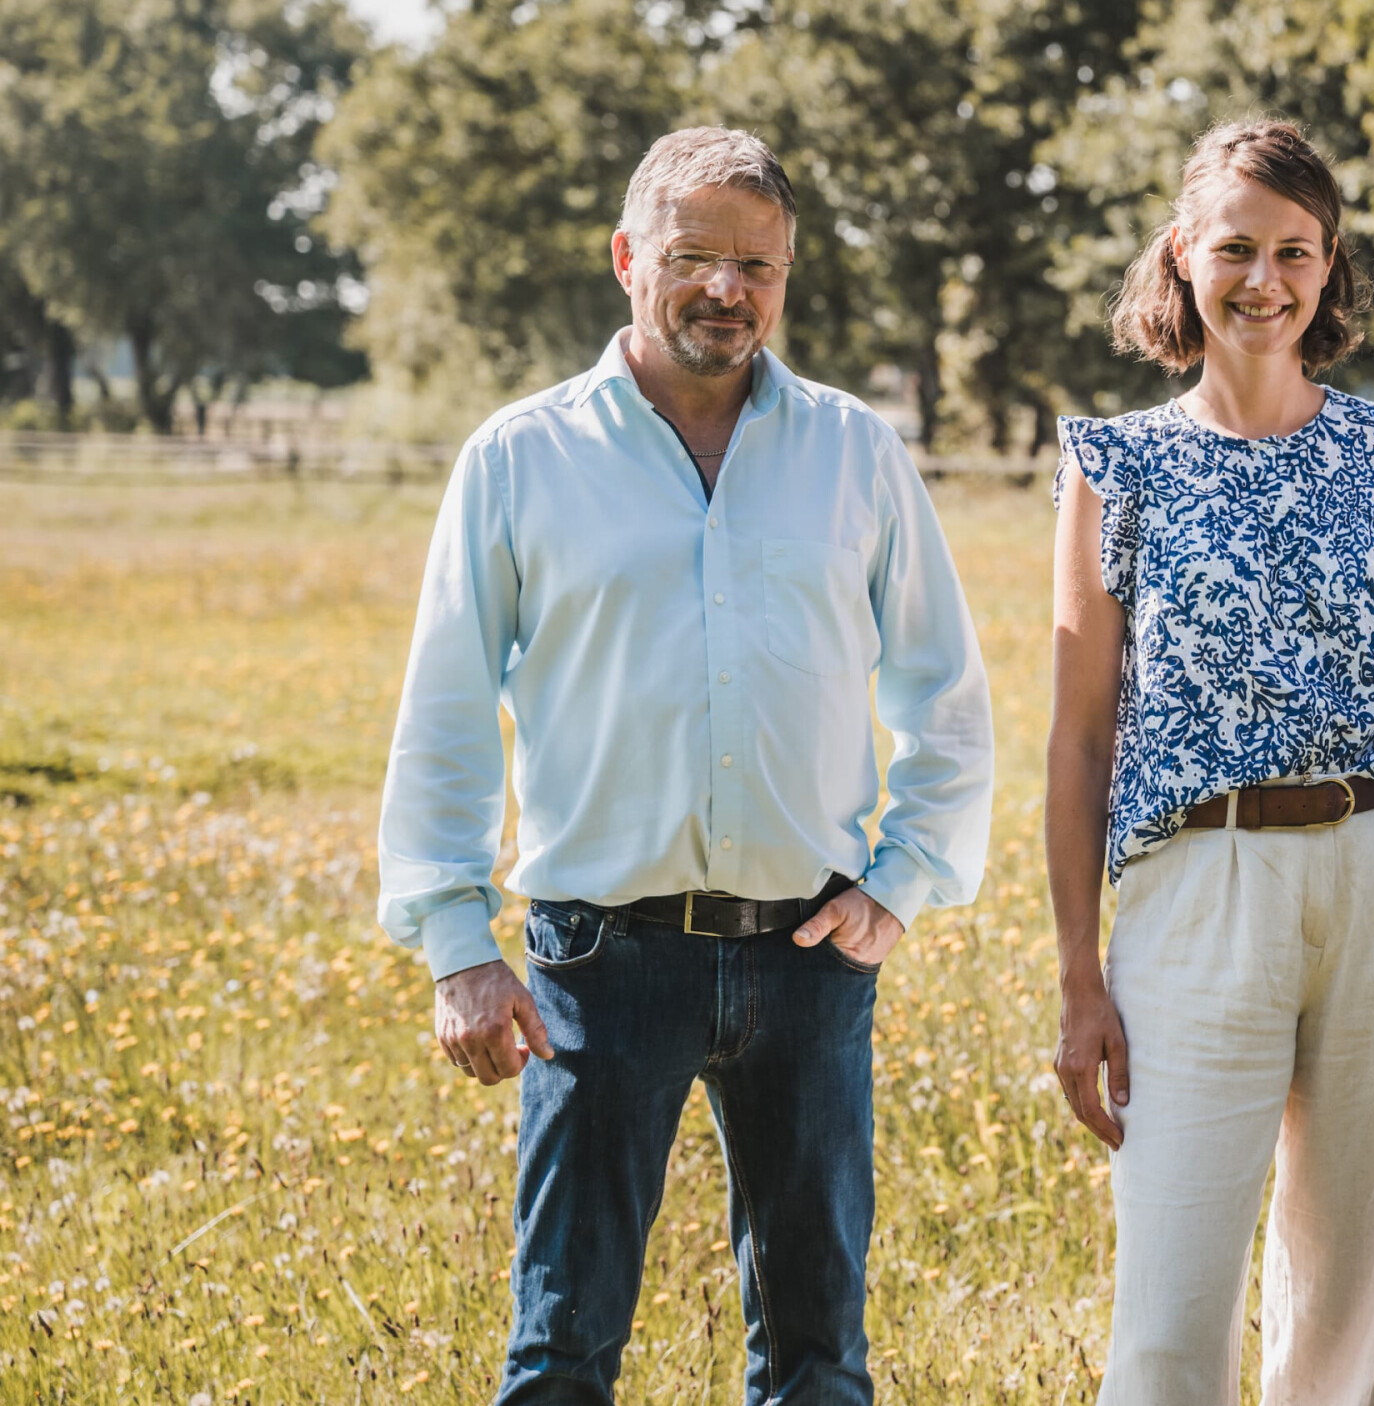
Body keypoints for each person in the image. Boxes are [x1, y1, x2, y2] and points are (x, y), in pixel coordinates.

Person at [375, 127, 994, 1405]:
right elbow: (443, 708)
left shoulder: (854, 451)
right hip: (602, 958)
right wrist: (456, 939)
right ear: (626, 259)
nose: (727, 289)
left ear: (785, 276)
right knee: (560, 1349)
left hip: (812, 957)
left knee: (821, 1358)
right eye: (694, 256)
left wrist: (906, 877)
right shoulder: (520, 456)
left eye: (755, 265)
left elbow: (947, 690)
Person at [1045, 118, 1374, 1405]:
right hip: (1202, 883)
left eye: (1294, 251)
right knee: (1173, 1303)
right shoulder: (1116, 463)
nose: (1266, 279)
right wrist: (1081, 973)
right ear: (1183, 254)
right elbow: (1081, 732)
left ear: (1329, 264)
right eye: (1237, 246)